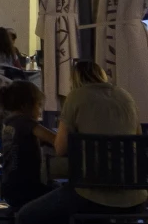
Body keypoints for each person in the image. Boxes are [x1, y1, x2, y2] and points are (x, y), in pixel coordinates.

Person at [17, 62, 146, 223]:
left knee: (25, 216)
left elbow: (60, 149)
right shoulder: (126, 97)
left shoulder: (76, 97)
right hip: (135, 198)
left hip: (89, 196)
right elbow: (138, 140)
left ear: (75, 79)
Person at [0, 81, 56, 212]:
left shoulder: (9, 123)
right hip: (27, 190)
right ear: (26, 106)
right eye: (38, 105)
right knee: (62, 193)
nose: (39, 110)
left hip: (10, 188)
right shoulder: (25, 122)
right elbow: (54, 140)